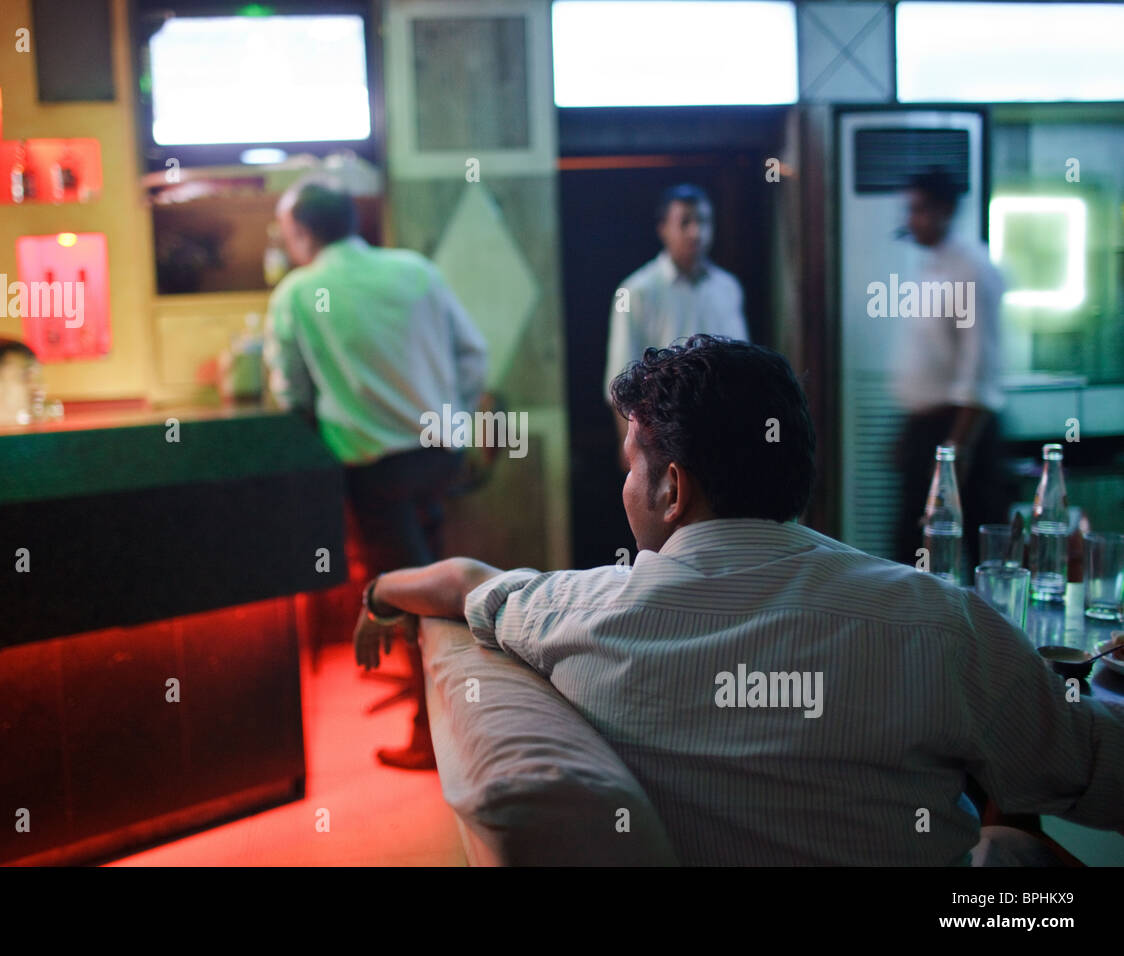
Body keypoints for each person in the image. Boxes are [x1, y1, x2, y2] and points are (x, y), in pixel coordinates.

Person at [354, 335, 1124, 865]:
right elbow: (1099, 775)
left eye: (631, 465)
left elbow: (463, 581)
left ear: (672, 487)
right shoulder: (937, 622)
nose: (627, 484)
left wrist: (378, 592)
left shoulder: (573, 614)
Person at [264, 181, 488, 771]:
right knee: (440, 588)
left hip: (373, 468)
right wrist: (455, 414)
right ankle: (458, 715)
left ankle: (430, 737)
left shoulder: (297, 292)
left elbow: (289, 392)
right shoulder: (414, 271)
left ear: (301, 232)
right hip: (439, 454)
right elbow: (474, 353)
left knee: (407, 597)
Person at [892, 169, 1008, 572]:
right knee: (911, 546)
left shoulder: (972, 269)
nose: (911, 220)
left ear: (946, 211)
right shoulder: (931, 265)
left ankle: (987, 634)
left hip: (958, 430)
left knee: (973, 549)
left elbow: (979, 370)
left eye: (920, 210)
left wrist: (955, 453)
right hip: (924, 429)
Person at [604, 184, 748, 441]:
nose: (696, 232)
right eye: (685, 222)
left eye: (703, 221)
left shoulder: (728, 288)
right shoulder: (636, 291)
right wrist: (629, 446)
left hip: (722, 429)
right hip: (663, 432)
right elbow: (620, 377)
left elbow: (743, 364)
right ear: (663, 229)